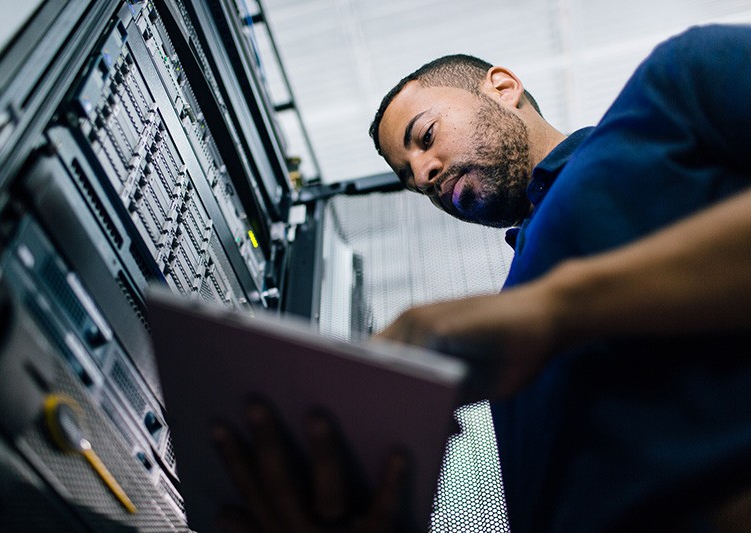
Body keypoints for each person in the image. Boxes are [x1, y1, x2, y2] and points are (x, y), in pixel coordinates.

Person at [213, 24, 751, 532]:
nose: (423, 175)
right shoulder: (510, 325)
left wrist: (557, 310)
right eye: (410, 180)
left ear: (502, 86)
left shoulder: (666, 95)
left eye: (425, 136)